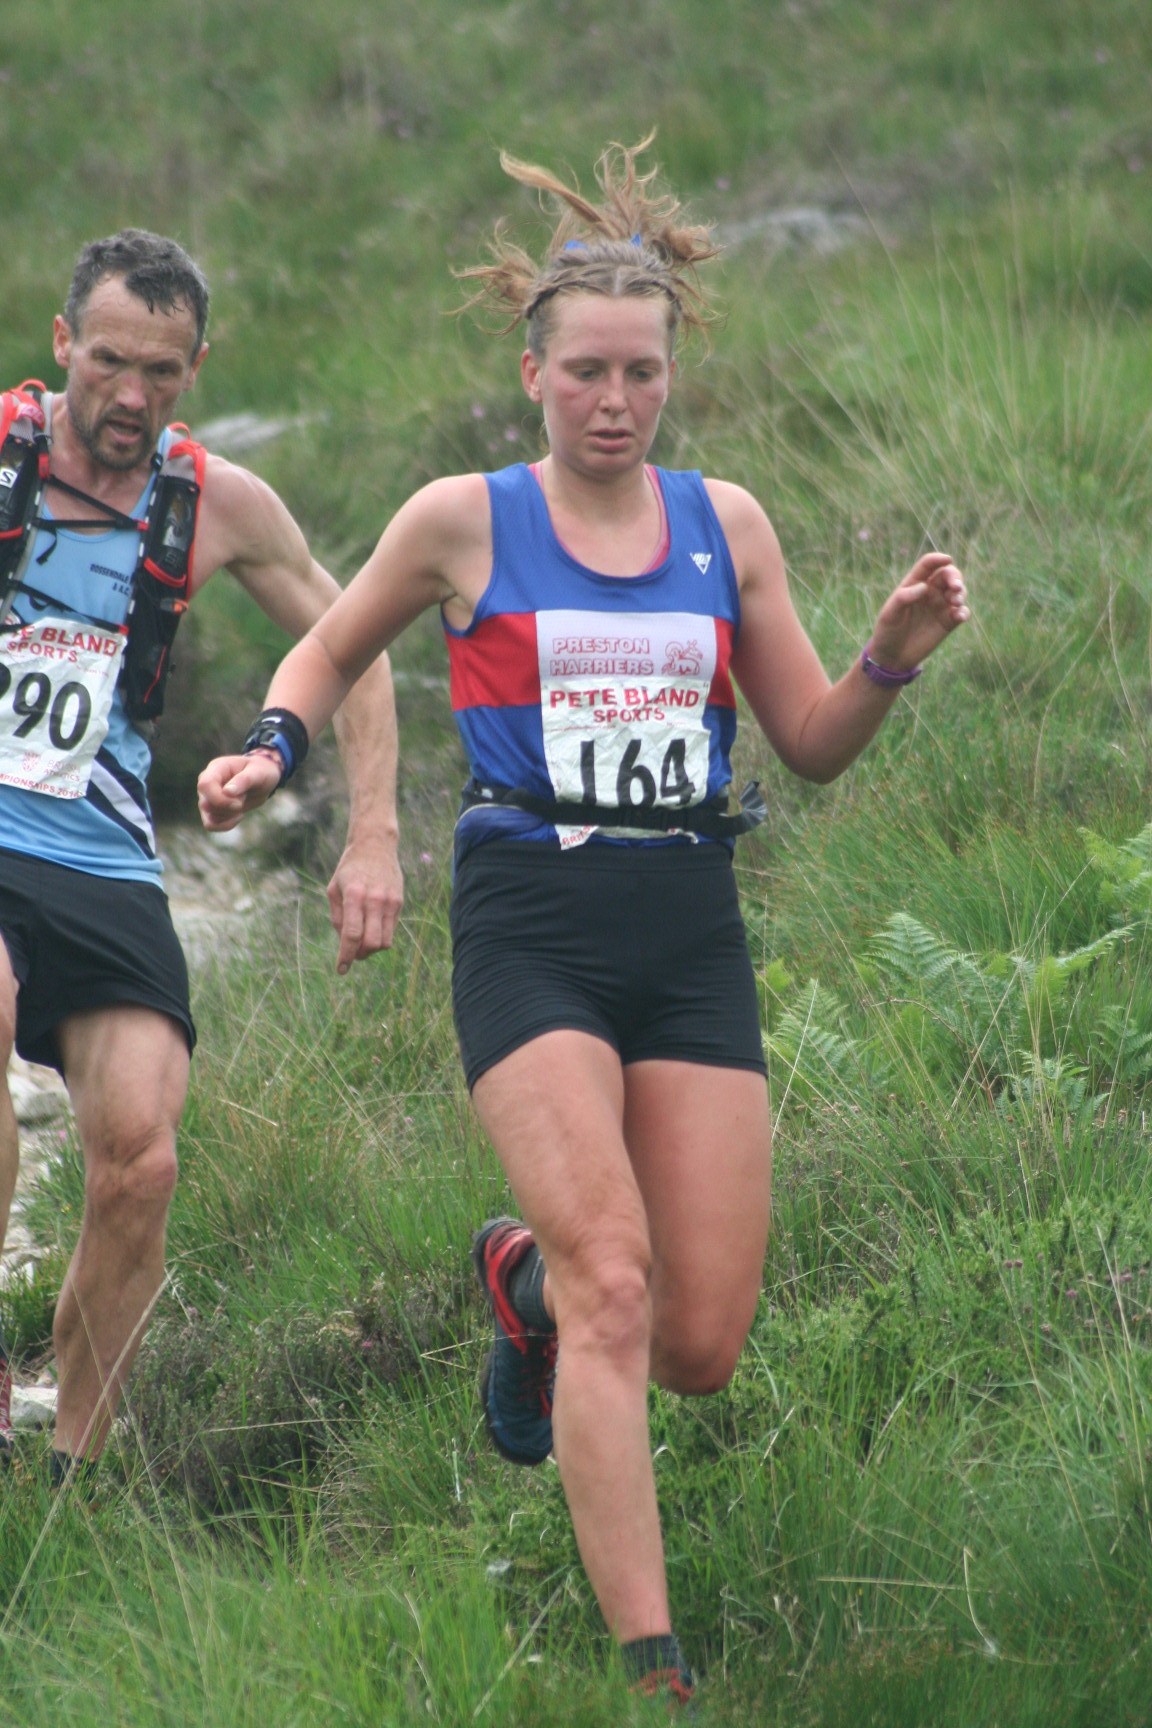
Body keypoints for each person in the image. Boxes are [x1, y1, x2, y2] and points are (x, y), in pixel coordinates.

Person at [197, 142, 968, 1704]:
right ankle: (652, 1669)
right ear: (533, 371)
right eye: (589, 374)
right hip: (532, 917)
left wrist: (886, 659)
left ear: (672, 373)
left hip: (688, 928)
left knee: (698, 1341)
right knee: (618, 1279)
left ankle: (520, 1286)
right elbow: (324, 656)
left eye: (645, 373)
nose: (618, 401)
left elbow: (807, 743)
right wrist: (272, 751)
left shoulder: (725, 526)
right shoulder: (462, 521)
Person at [0, 229, 404, 1483]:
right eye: (110, 361)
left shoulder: (216, 501)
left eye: (162, 374)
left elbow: (364, 643)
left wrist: (372, 828)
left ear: (196, 369)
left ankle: (71, 1468)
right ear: (64, 343)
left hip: (106, 851)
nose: (130, 397)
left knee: (141, 1155)